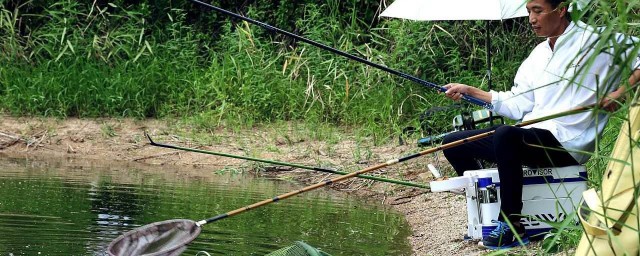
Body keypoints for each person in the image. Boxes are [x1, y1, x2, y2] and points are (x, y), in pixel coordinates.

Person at [440, 0, 640, 249]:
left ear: (562, 8)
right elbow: (516, 103)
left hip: (568, 143)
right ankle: (487, 207)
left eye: (538, 11)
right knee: (454, 143)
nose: (532, 19)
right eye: (528, 12)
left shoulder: (596, 40)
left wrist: (618, 94)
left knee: (506, 136)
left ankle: (512, 225)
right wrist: (472, 91)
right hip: (531, 137)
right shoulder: (537, 55)